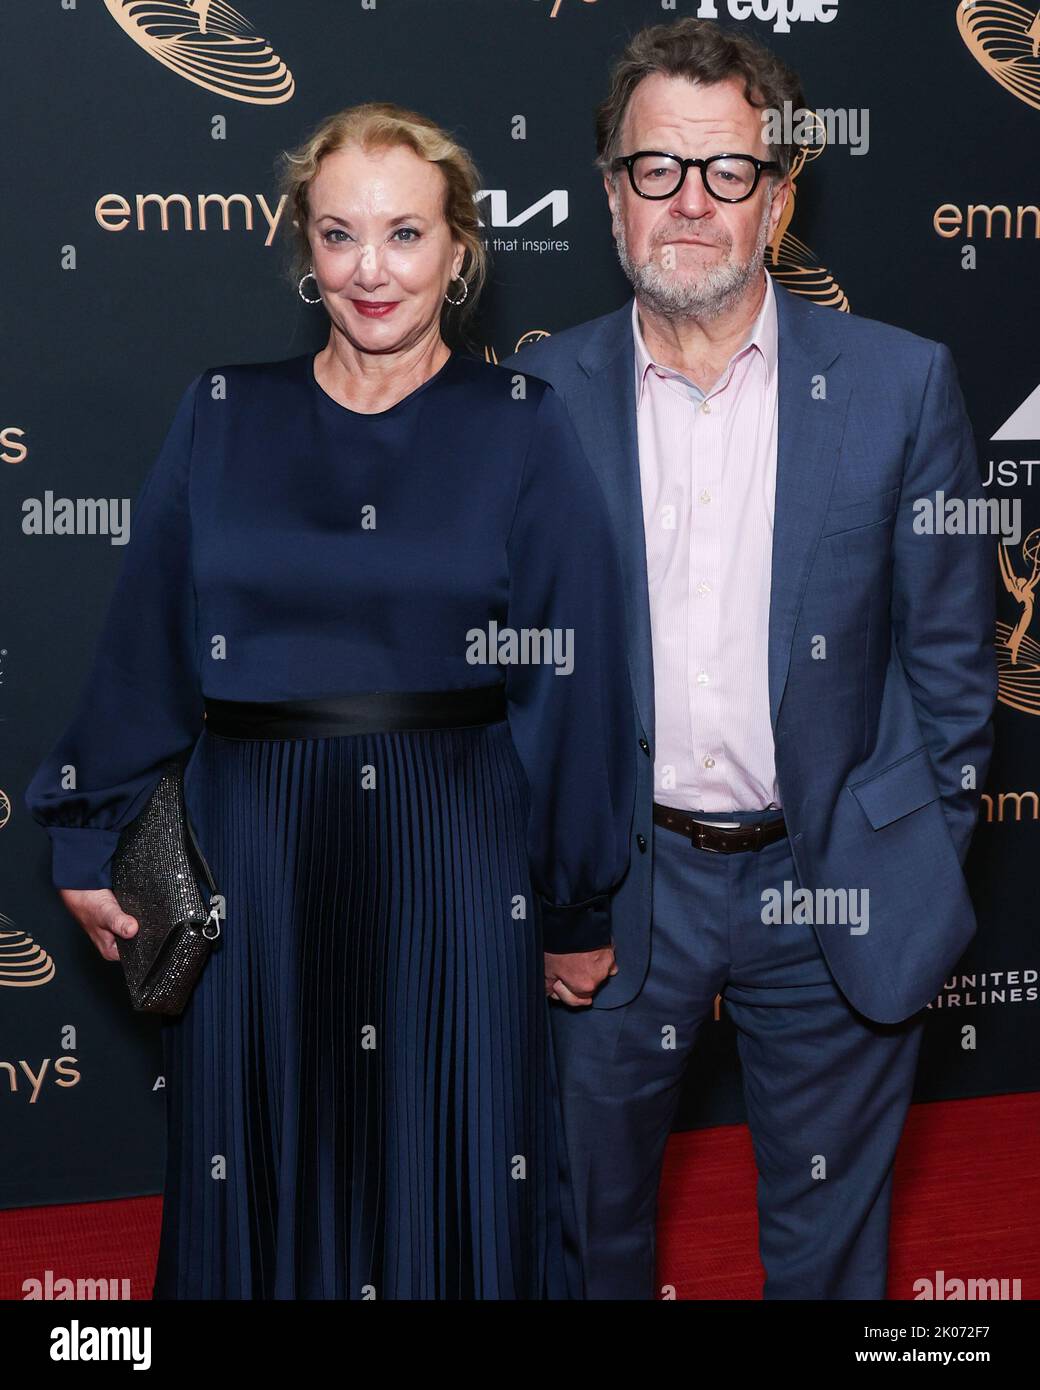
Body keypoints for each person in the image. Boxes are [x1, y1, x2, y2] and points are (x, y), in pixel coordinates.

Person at [24, 101, 634, 1300]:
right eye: (339, 234)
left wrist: (575, 902)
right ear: (304, 248)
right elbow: (148, 637)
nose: (371, 270)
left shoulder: (521, 427)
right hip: (255, 849)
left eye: (405, 235)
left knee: (445, 1151)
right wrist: (87, 822)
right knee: (256, 1157)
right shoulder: (221, 411)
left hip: (454, 854)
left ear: (461, 250)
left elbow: (570, 677)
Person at [503, 18, 997, 1299]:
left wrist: (917, 843)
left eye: (726, 172)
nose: (688, 203)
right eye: (653, 169)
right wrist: (550, 884)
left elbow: (951, 660)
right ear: (610, 195)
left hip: (828, 889)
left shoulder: (898, 385)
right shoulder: (535, 399)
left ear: (775, 200)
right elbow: (511, 676)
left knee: (829, 1259)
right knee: (582, 1237)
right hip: (611, 895)